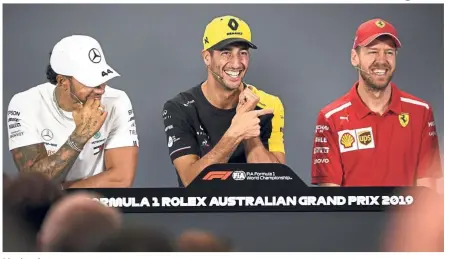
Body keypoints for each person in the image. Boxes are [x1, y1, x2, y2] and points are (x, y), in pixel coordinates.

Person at [311, 18, 442, 187]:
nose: (382, 60)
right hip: (353, 215)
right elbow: (331, 197)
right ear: (354, 58)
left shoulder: (421, 112)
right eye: (372, 52)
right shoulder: (331, 117)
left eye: (389, 52)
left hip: (404, 214)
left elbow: (427, 187)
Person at [162, 15, 286, 187]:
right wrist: (236, 133)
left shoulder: (268, 105)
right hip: (201, 212)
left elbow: (275, 184)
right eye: (226, 53)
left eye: (242, 53)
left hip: (253, 212)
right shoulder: (179, 107)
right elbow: (190, 181)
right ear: (207, 57)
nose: (236, 64)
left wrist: (250, 131)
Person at [6, 35, 139, 188]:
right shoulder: (25, 103)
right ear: (63, 82)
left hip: (96, 205)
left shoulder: (116, 100)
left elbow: (120, 179)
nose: (101, 89)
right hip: (43, 210)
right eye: (91, 81)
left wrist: (62, 192)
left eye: (103, 77)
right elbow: (34, 184)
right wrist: (80, 136)